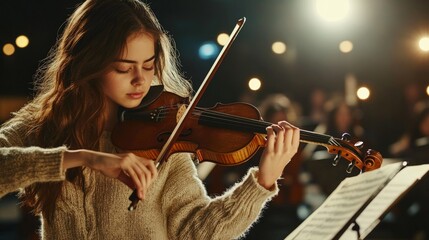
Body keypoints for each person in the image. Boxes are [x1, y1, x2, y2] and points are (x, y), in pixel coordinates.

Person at [0, 0, 300, 239]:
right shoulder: (45, 126)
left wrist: (263, 180)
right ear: (87, 63)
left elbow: (195, 233)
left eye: (148, 65)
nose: (140, 80)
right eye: (123, 67)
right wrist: (83, 158)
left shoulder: (165, 138)